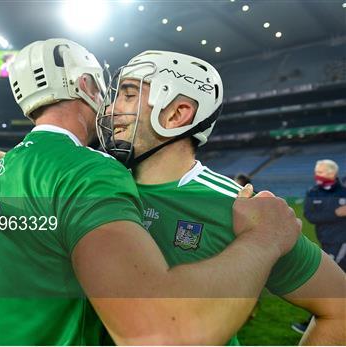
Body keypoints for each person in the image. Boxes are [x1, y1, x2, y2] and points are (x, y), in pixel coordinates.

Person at [0, 39, 301, 345]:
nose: (112, 106)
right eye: (111, 91)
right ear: (86, 85)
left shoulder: (6, 166)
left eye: (127, 95)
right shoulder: (94, 168)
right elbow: (156, 331)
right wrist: (265, 239)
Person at [96, 50, 346, 345]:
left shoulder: (239, 206)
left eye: (127, 94)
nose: (111, 109)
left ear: (177, 114)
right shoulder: (96, 188)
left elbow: (339, 308)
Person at [290, 159, 346, 334]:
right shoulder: (312, 192)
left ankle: (313, 323)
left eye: (321, 171)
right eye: (316, 171)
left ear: (333, 173)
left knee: (328, 282)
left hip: (341, 242)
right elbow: (311, 216)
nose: (317, 175)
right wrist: (336, 213)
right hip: (325, 241)